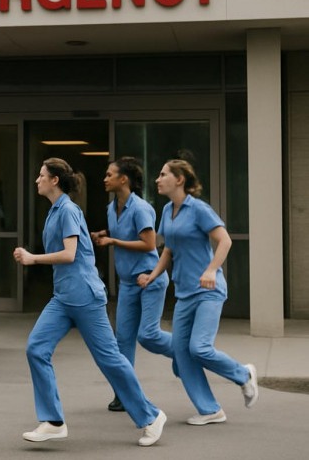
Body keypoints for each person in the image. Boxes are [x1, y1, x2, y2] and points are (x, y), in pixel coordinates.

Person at [14, 158, 166, 447]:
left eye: (41, 175)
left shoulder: (68, 210)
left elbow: (70, 254)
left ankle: (151, 416)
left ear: (54, 180)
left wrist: (33, 258)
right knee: (36, 348)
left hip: (85, 297)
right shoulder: (54, 211)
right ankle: (53, 421)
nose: (37, 180)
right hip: (63, 298)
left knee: (109, 360)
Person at [137, 159, 258, 426]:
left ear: (180, 179)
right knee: (182, 353)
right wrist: (153, 274)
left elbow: (224, 240)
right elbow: (169, 248)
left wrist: (212, 270)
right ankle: (210, 409)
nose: (158, 179)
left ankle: (243, 374)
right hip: (184, 293)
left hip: (208, 291)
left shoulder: (199, 209)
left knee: (199, 348)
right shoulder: (168, 210)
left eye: (163, 174)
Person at [90, 157, 174, 413]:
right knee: (122, 341)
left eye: (109, 174)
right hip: (128, 283)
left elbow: (149, 244)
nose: (105, 178)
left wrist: (114, 242)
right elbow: (122, 233)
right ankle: (123, 394)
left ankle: (186, 349)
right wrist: (104, 235)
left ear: (123, 179)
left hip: (150, 279)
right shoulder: (111, 207)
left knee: (148, 335)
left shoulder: (140, 208)